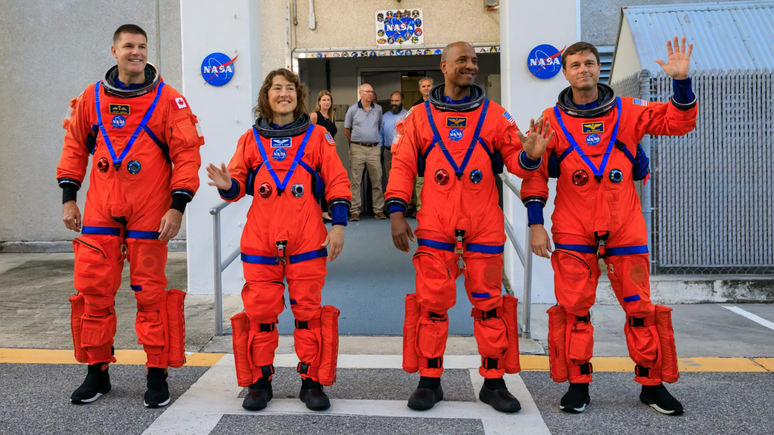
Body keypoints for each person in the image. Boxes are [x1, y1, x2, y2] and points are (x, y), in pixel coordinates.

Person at [520, 38, 697, 415]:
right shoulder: (549, 121)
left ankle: (652, 385)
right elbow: (533, 175)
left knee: (640, 309)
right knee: (574, 310)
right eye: (575, 65)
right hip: (572, 227)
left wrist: (681, 83)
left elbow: (679, 122)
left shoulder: (630, 111)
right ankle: (578, 385)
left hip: (624, 226)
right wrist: (536, 224)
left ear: (597, 68)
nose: (583, 69)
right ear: (564, 73)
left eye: (589, 63)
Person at [385, 42, 552, 413]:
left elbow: (517, 164)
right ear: (443, 67)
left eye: (475, 61)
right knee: (431, 307)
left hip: (483, 227)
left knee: (490, 306)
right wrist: (396, 211)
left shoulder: (495, 115)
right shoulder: (417, 117)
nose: (471, 66)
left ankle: (493, 383)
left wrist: (530, 155)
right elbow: (402, 166)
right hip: (436, 226)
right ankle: (430, 382)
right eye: (463, 60)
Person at [57, 24, 204, 408]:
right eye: (128, 46)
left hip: (150, 212)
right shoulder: (91, 98)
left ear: (146, 51)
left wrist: (178, 206)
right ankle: (96, 373)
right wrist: (69, 198)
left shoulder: (170, 100)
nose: (135, 52)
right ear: (114, 50)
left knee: (151, 295)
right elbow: (75, 146)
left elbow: (187, 157)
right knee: (93, 293)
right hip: (102, 210)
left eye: (141, 46)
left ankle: (157, 375)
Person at [206, 68, 351, 412]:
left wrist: (339, 225)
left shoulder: (317, 137)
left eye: (289, 88)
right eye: (276, 88)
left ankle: (311, 381)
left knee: (308, 315)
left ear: (299, 95)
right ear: (265, 96)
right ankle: (259, 382)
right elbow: (238, 186)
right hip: (261, 240)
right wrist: (228, 184)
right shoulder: (250, 139)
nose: (283, 93)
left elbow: (337, 182)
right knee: (260, 315)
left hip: (306, 239)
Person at [344, 83, 386, 221]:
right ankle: (355, 211)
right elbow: (346, 130)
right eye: (367, 91)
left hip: (374, 148)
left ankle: (378, 210)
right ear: (360, 93)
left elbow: (378, 127)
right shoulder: (352, 110)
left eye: (371, 92)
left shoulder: (378, 109)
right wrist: (356, 143)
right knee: (356, 181)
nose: (370, 94)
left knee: (377, 180)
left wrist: (370, 138)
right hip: (357, 148)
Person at [405, 77, 433, 217]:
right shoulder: (415, 107)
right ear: (420, 89)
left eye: (429, 85)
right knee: (420, 180)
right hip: (421, 149)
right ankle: (420, 208)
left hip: (438, 148)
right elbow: (409, 127)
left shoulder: (441, 104)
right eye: (424, 86)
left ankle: (435, 208)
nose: (426, 88)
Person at [310, 90, 337, 222]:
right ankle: (315, 212)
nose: (327, 102)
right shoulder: (314, 116)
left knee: (328, 182)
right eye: (324, 100)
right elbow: (308, 136)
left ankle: (326, 212)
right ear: (319, 102)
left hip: (329, 153)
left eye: (329, 100)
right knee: (317, 183)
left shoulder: (332, 117)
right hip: (316, 154)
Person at [379, 91, 408, 184]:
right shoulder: (384, 117)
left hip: (403, 152)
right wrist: (379, 152)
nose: (394, 103)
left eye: (397, 101)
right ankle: (391, 198)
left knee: (403, 177)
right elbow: (381, 136)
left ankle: (404, 198)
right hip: (388, 152)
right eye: (392, 101)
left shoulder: (408, 116)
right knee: (389, 178)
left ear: (402, 101)